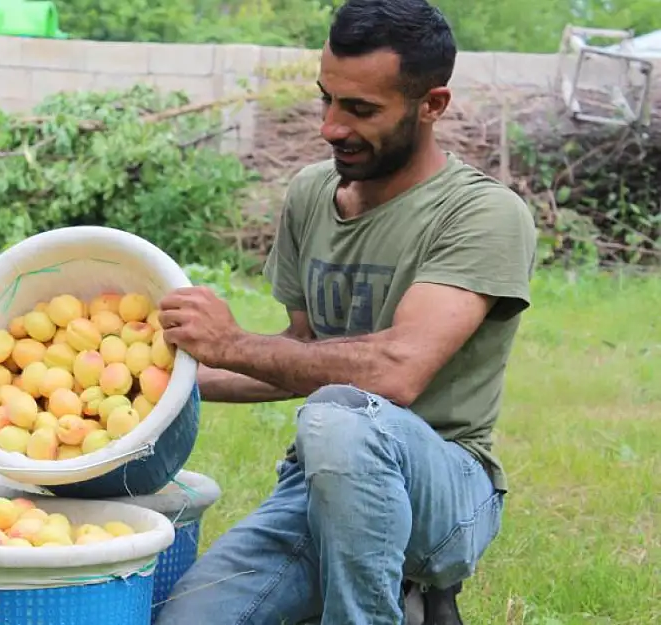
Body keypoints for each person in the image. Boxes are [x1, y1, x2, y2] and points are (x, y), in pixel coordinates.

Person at [153, 0, 538, 623]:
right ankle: (380, 588)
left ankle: (398, 598)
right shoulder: (311, 194)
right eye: (326, 99)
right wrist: (161, 385)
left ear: (431, 105)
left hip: (446, 490)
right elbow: (298, 353)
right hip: (321, 484)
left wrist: (230, 342)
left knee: (340, 414)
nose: (331, 126)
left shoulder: (482, 214)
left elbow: (394, 375)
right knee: (188, 620)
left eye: (360, 109)